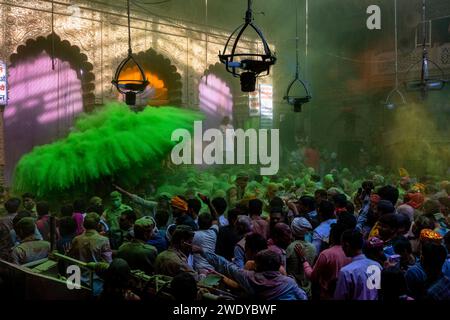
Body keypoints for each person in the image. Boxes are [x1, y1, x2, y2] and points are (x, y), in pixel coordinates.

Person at [196, 247, 308, 300]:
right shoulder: (289, 282)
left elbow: (226, 265)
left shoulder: (250, 278)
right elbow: (303, 297)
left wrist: (202, 251)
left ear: (258, 266)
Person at [297, 223, 351, 300]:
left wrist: (304, 260)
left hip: (327, 295)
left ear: (332, 236)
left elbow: (313, 277)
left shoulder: (326, 254)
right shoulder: (351, 253)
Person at [334, 229, 381, 300]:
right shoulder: (377, 265)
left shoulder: (346, 272)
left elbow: (340, 297)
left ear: (347, 245)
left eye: (342, 245)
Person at [286, 217, 316, 297]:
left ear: (293, 230)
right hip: (308, 290)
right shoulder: (313, 248)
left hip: (293, 290)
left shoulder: (290, 248)